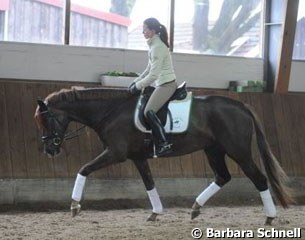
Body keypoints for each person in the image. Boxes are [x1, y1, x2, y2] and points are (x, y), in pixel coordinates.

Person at [129, 17, 177, 157]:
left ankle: (163, 144)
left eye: (144, 29)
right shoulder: (154, 46)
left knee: (148, 111)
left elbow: (153, 75)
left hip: (166, 84)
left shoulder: (157, 48)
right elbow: (148, 70)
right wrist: (135, 81)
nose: (143, 32)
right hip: (161, 83)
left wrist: (137, 86)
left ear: (152, 30)